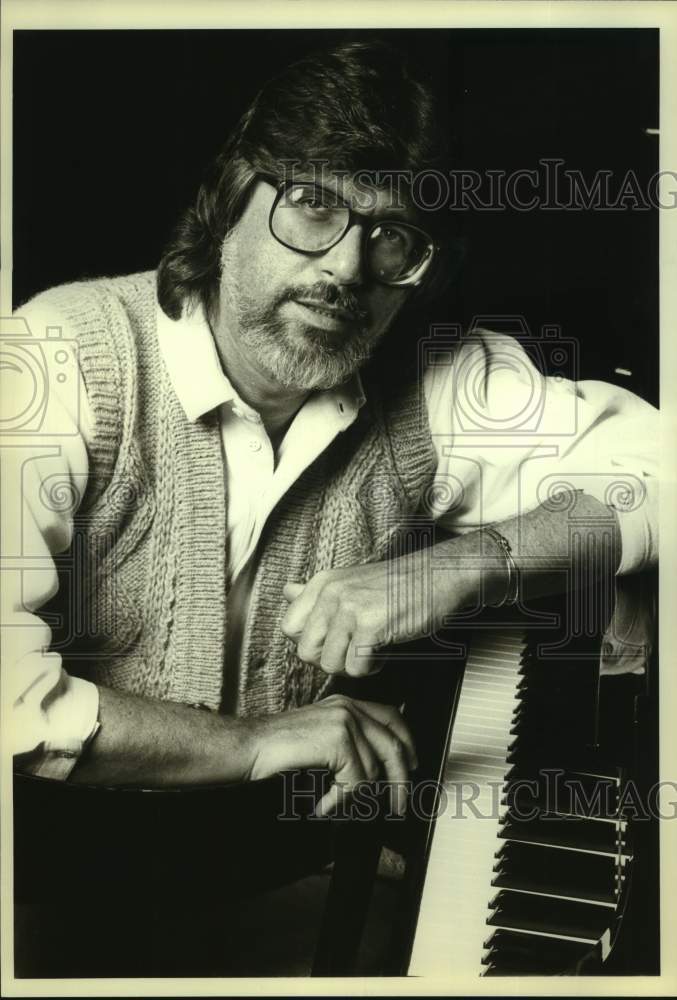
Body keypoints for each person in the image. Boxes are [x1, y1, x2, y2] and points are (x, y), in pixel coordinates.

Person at [3, 40, 658, 820]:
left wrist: (464, 566)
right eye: (313, 204)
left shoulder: (433, 377)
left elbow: (660, 472)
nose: (346, 269)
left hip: (294, 849)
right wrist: (252, 742)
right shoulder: (57, 357)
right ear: (228, 202)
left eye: (393, 237)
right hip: (49, 859)